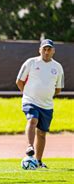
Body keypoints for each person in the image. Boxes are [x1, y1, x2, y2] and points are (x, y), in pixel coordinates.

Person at [16, 39, 64, 168]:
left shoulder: (58, 67)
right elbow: (19, 81)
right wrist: (27, 94)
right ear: (40, 50)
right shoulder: (31, 62)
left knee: (42, 133)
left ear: (53, 51)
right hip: (30, 100)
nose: (46, 52)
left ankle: (38, 161)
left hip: (47, 105)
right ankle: (29, 147)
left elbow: (58, 88)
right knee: (32, 120)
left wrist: (46, 95)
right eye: (44, 49)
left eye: (49, 49)